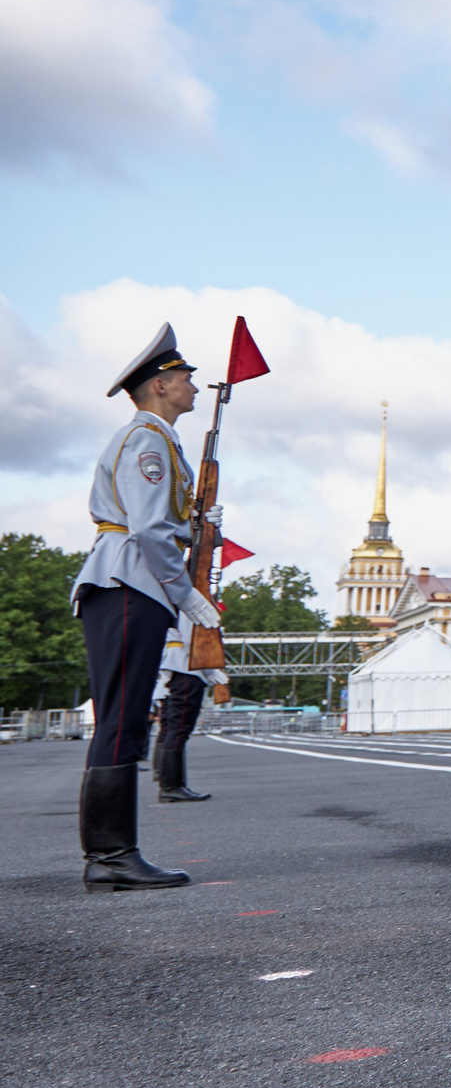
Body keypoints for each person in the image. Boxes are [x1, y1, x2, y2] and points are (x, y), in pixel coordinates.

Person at [70, 324, 211, 891]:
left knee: (125, 717)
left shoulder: (159, 440)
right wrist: (185, 591)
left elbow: (164, 522)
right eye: (183, 379)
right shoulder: (148, 441)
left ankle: (112, 853)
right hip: (132, 579)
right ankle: (108, 855)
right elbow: (150, 528)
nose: (193, 389)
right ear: (159, 386)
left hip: (135, 579)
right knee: (122, 716)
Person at [152, 634, 212, 803]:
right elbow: (191, 638)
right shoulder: (190, 607)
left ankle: (171, 782)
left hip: (180, 665)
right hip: (186, 665)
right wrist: (211, 669)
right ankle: (171, 786)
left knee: (174, 730)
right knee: (179, 729)